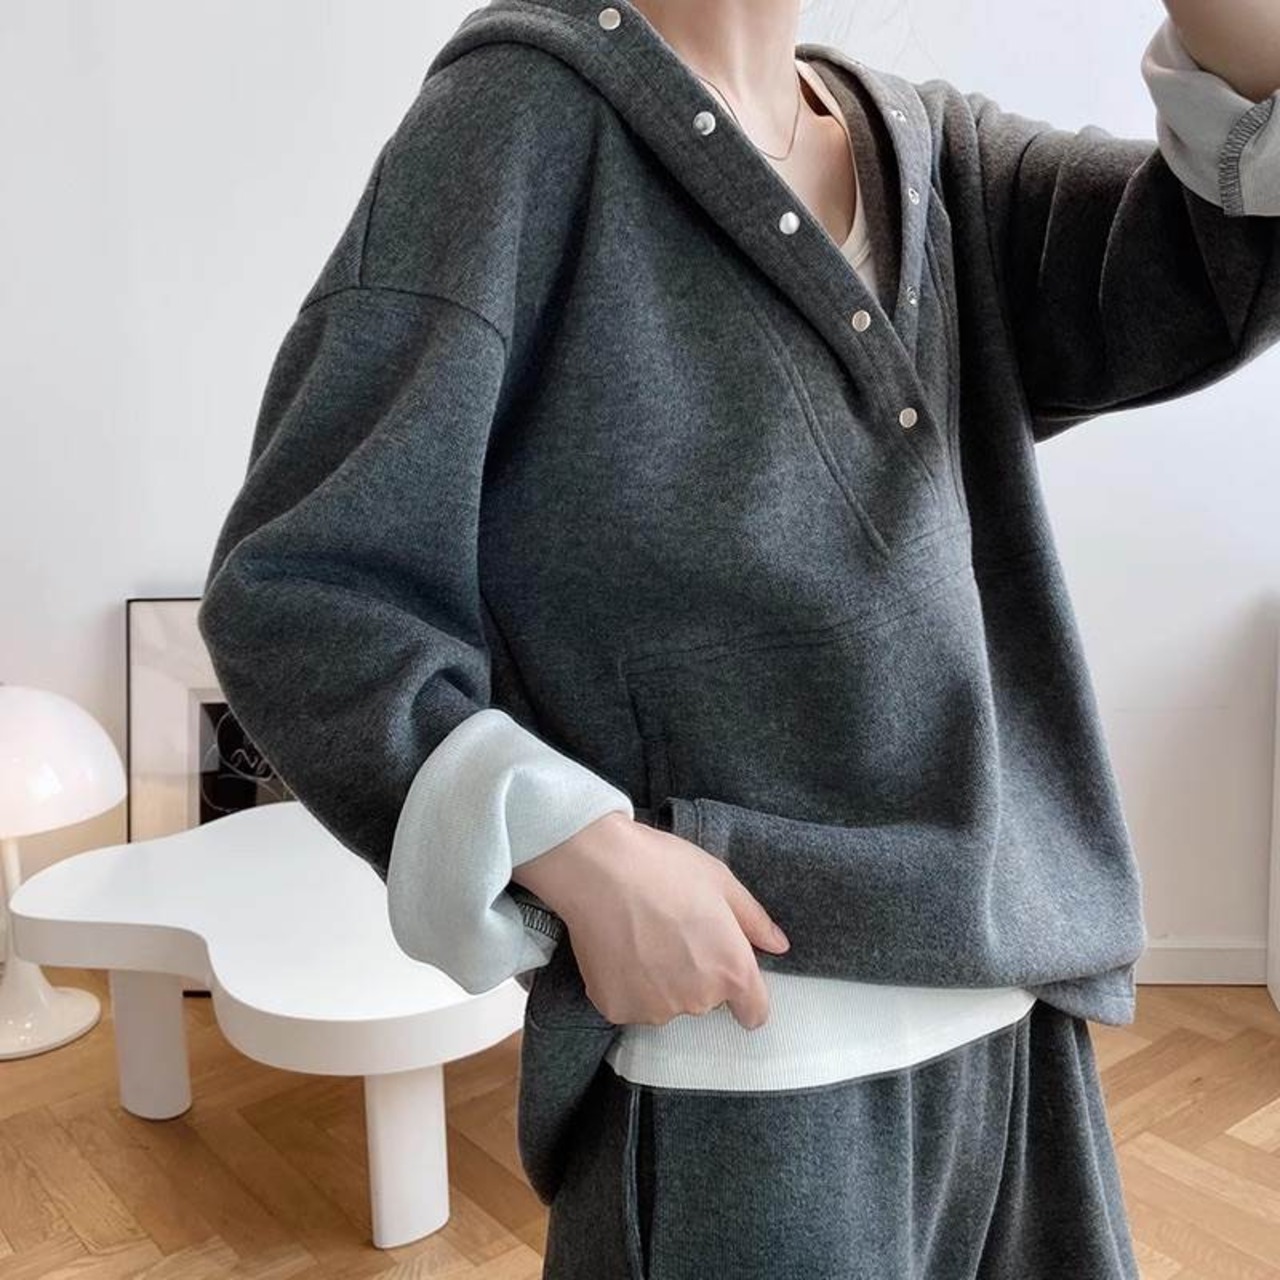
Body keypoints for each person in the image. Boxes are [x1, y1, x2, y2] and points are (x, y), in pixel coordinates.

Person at [197, 0, 1280, 1275]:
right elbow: (301, 588)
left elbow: (1205, 259)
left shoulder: (929, 153)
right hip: (748, 1060)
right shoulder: (516, 123)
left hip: (1017, 1031)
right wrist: (572, 849)